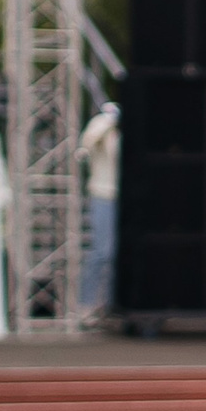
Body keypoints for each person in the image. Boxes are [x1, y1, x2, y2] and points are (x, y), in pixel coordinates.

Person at [79, 97, 120, 313]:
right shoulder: (101, 123)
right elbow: (88, 144)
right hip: (103, 194)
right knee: (101, 251)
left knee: (119, 254)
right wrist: (109, 124)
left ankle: (113, 302)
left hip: (125, 197)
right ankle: (86, 303)